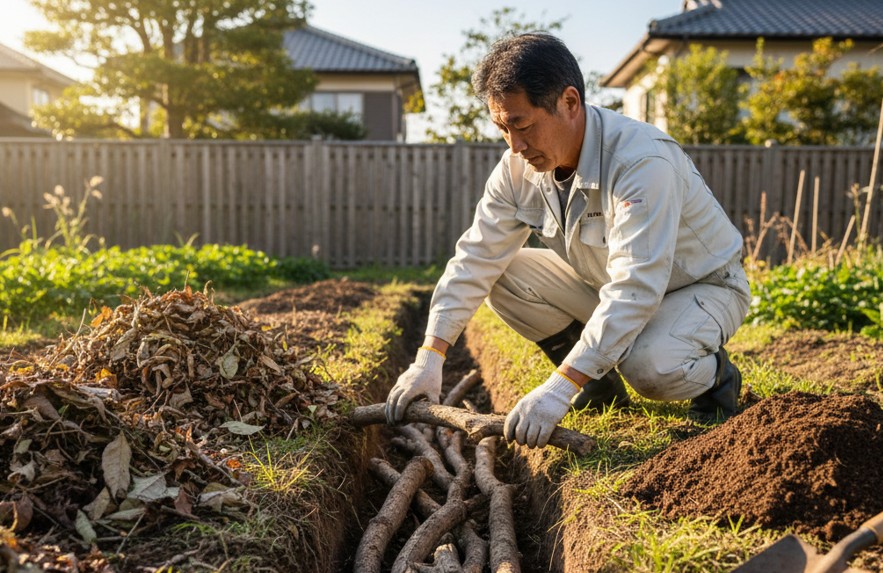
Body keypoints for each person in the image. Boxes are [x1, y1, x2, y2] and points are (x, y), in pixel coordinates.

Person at [385, 32, 750, 449]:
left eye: (522, 124)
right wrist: (429, 359)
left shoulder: (639, 162)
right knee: (501, 273)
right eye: (503, 128)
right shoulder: (517, 168)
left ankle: (716, 381)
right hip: (606, 283)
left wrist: (558, 389)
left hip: (700, 287)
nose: (515, 145)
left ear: (570, 103)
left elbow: (637, 286)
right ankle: (596, 387)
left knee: (651, 366)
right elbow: (476, 257)